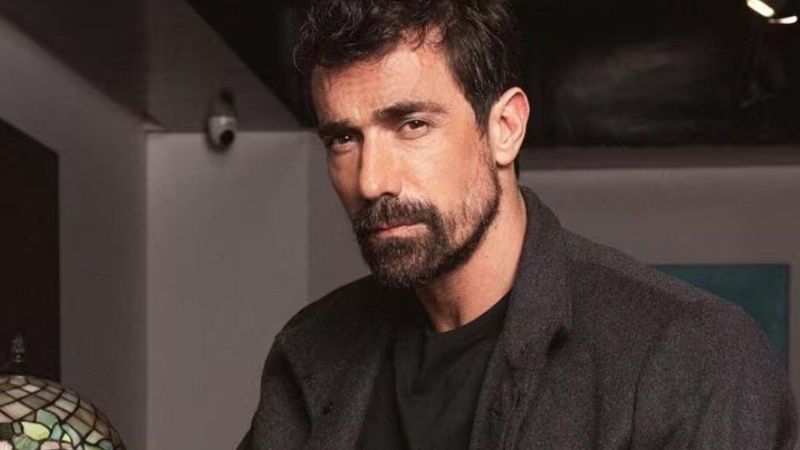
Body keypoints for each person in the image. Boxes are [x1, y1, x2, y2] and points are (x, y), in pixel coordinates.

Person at [238, 0, 797, 448]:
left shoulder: (694, 354)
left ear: (505, 127)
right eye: (343, 138)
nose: (370, 180)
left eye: (412, 124)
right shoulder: (311, 351)